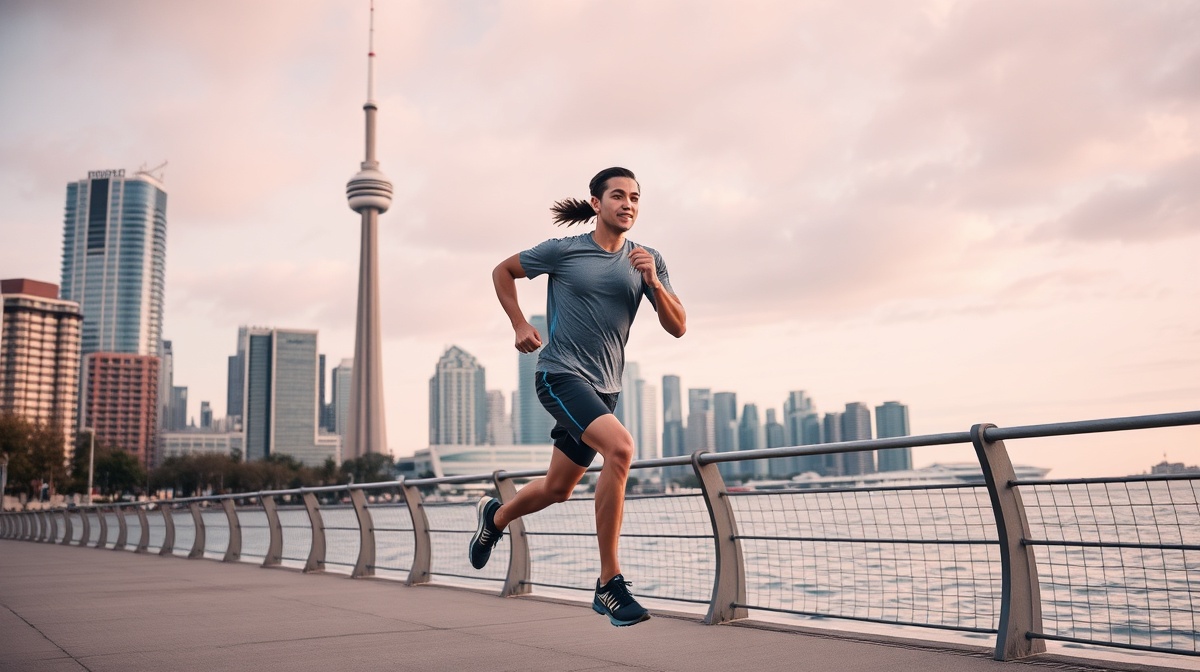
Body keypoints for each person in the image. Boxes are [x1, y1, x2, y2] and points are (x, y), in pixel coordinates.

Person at [469, 166, 686, 627]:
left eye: (635, 198)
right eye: (617, 196)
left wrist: (655, 283)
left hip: (605, 390)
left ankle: (496, 516)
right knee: (622, 449)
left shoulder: (647, 259)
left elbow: (678, 326)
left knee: (558, 488)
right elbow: (502, 271)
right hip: (560, 376)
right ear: (596, 203)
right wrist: (520, 325)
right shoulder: (565, 252)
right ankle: (609, 583)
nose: (627, 204)